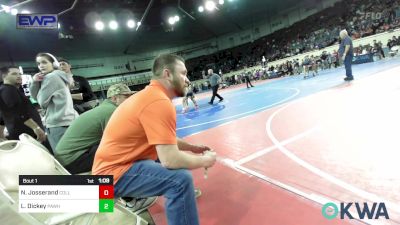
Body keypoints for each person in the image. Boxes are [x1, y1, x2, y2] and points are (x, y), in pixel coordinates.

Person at [92, 54, 217, 225]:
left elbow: (165, 138)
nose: (187, 80)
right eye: (183, 73)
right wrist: (204, 160)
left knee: (164, 161)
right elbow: (170, 160)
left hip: (112, 169)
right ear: (168, 74)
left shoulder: (150, 95)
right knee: (181, 181)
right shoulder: (158, 102)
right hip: (110, 177)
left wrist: (191, 147)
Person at [55, 83, 136, 174]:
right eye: (126, 97)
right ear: (114, 98)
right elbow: (120, 140)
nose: (131, 100)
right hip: (73, 160)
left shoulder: (104, 108)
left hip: (66, 159)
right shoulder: (112, 111)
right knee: (121, 149)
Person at [29, 53, 78, 150]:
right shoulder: (60, 75)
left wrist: (34, 83)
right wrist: (35, 82)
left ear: (54, 64)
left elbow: (42, 102)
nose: (41, 66)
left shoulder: (50, 77)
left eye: (44, 62)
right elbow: (37, 98)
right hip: (67, 119)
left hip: (57, 123)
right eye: (39, 63)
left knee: (62, 155)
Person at [0, 66, 46, 143]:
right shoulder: (8, 90)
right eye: (14, 74)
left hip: (23, 134)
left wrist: (1, 136)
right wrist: (36, 128)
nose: (18, 76)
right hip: (27, 135)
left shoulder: (5, 90)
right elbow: (20, 112)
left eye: (19, 74)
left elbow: (2, 116)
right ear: (4, 76)